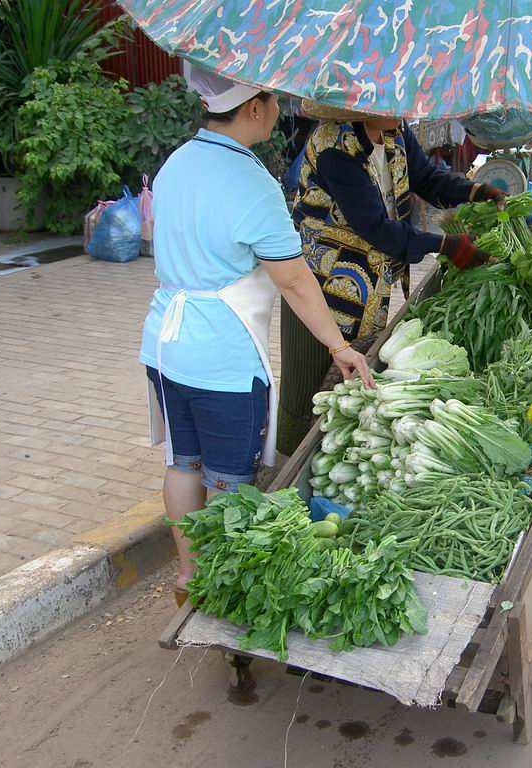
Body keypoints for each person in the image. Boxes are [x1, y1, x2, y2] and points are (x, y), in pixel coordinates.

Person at [139, 65, 374, 606]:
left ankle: (188, 576)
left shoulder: (176, 162)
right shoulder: (251, 181)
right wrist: (339, 346)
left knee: (182, 463)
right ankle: (222, 593)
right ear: (253, 107)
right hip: (220, 359)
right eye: (273, 100)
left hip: (164, 346)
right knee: (226, 480)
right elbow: (293, 279)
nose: (277, 110)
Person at [276, 103, 505, 454]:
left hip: (369, 279)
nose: (400, 109)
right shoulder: (334, 148)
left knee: (353, 371)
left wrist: (473, 191)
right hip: (322, 282)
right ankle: (290, 464)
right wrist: (445, 245)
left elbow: (426, 178)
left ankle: (336, 449)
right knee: (312, 376)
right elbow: (375, 228)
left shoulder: (393, 131)